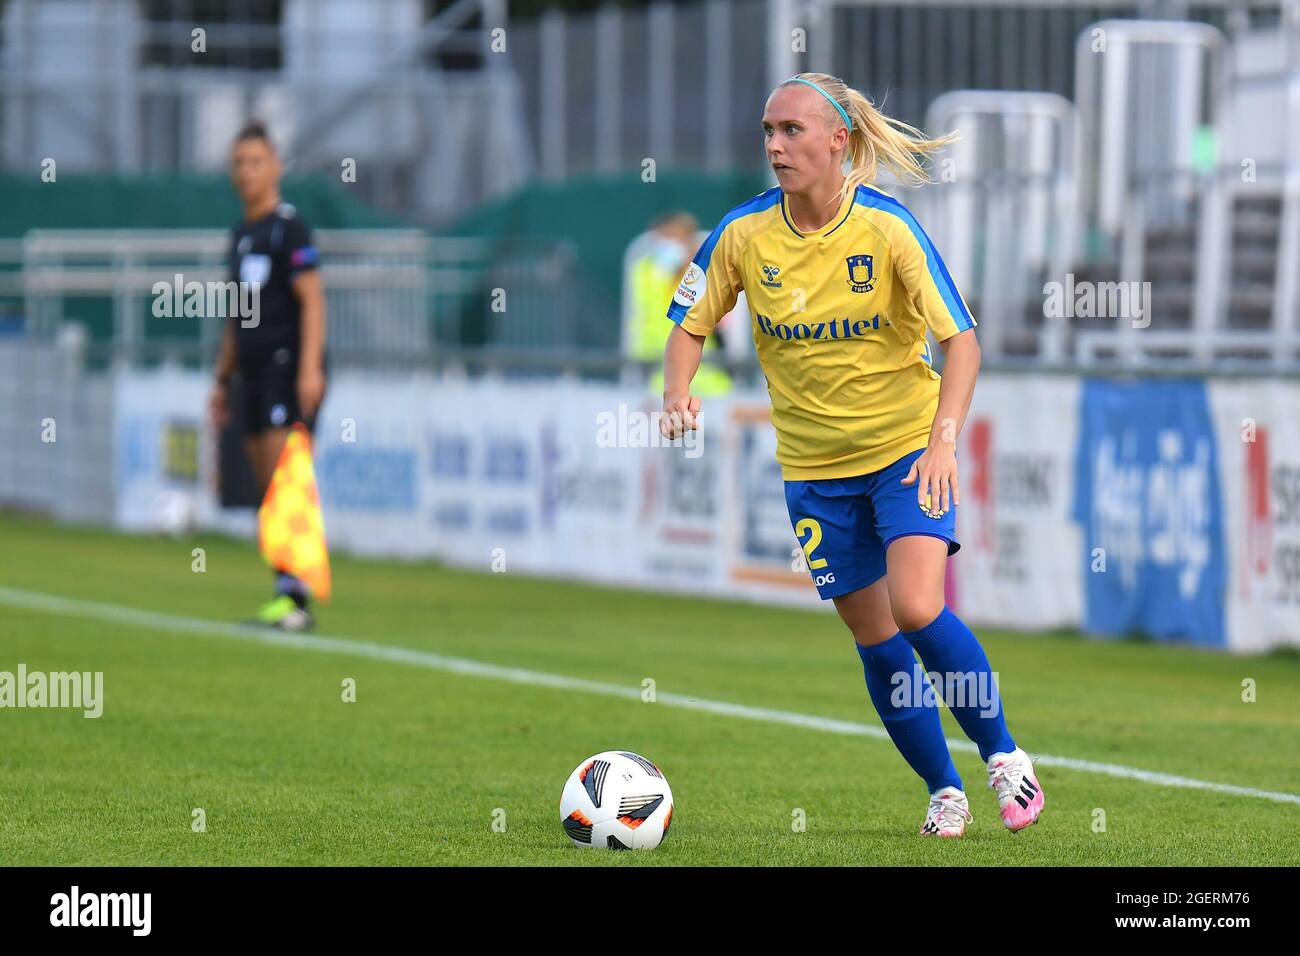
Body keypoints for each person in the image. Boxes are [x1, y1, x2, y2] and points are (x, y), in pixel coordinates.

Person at [659, 73, 1044, 837]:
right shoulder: (742, 234)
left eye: (793, 131)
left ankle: (1003, 755)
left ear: (840, 141)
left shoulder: (888, 228)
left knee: (917, 606)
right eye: (768, 130)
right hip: (813, 473)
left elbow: (960, 340)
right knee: (874, 637)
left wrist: (943, 439)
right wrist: (677, 391)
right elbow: (688, 320)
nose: (775, 145)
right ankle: (943, 790)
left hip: (906, 451)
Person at [209, 120, 328, 631]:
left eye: (255, 161)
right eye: (238, 163)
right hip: (251, 374)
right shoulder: (240, 237)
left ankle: (297, 601)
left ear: (275, 166)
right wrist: (221, 378)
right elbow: (239, 316)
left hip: (286, 368)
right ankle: (284, 592)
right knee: (265, 486)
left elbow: (313, 298)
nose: (246, 172)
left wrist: (310, 368)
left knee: (287, 481)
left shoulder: (288, 227)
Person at [626, 211, 732, 397]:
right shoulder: (647, 274)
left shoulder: (708, 274)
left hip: (707, 380)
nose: (667, 245)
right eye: (663, 238)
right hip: (655, 377)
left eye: (674, 238)